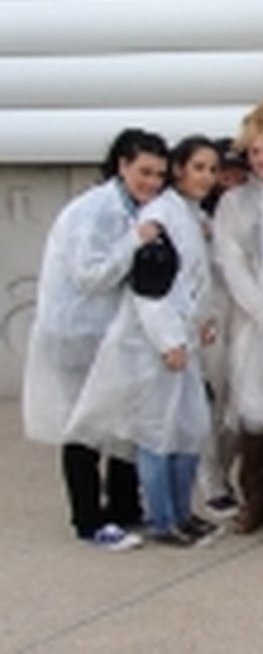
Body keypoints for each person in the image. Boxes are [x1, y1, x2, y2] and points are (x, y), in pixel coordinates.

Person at [71, 136, 223, 548]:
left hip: (184, 338)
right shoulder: (160, 216)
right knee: (157, 432)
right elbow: (149, 287)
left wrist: (204, 320)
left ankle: (184, 511)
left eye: (212, 169)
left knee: (190, 426)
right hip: (152, 344)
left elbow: (193, 280)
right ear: (180, 170)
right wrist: (168, 339)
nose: (206, 177)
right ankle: (162, 518)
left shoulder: (190, 215)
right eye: (198, 167)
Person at [22, 130, 168, 550]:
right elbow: (90, 275)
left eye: (158, 174)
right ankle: (89, 521)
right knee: (83, 427)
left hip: (109, 334)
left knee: (122, 421)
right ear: (122, 165)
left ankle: (124, 508)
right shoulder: (96, 212)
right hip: (77, 333)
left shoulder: (134, 207)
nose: (151, 182)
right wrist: (134, 242)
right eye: (144, 172)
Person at [211, 102, 263, 535]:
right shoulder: (232, 202)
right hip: (251, 321)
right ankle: (255, 500)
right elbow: (230, 260)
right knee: (253, 412)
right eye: (256, 151)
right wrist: (262, 309)